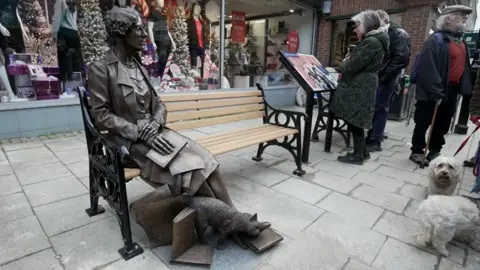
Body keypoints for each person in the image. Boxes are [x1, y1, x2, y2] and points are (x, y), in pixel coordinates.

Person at [88, 6, 235, 245]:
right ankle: (225, 222)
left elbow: (160, 105)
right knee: (192, 173)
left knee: (210, 163)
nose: (145, 35)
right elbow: (101, 115)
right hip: (131, 144)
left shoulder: (139, 67)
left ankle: (234, 219)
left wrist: (155, 121)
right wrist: (137, 131)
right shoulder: (102, 68)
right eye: (138, 29)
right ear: (121, 33)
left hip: (157, 133)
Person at [409, 5, 473, 165]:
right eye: (461, 16)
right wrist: (436, 91)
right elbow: (428, 68)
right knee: (423, 121)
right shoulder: (435, 40)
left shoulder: (461, 40)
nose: (465, 19)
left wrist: (463, 88)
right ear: (449, 18)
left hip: (451, 89)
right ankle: (417, 151)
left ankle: (435, 150)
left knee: (443, 122)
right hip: (432, 89)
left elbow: (464, 66)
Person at [330, 10, 389, 165]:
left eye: (357, 26)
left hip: (360, 85)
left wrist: (342, 64)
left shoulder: (371, 42)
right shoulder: (375, 40)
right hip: (363, 83)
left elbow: (352, 65)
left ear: (366, 26)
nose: (355, 29)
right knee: (356, 118)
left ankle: (357, 156)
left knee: (355, 119)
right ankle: (362, 152)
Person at [366, 10, 411, 151]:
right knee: (377, 108)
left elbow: (401, 59)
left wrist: (384, 76)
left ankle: (375, 140)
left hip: (387, 78)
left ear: (384, 19)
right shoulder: (387, 33)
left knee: (380, 108)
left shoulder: (397, 34)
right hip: (383, 77)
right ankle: (373, 135)